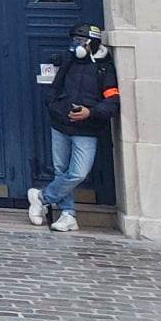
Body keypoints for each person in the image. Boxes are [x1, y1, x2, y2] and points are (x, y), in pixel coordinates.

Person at [29, 23, 120, 234]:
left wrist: (91, 112)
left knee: (78, 173)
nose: (75, 44)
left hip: (87, 127)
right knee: (61, 170)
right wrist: (55, 108)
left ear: (91, 42)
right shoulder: (70, 61)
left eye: (79, 40)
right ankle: (68, 214)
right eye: (74, 40)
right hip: (61, 123)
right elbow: (54, 88)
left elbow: (113, 101)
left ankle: (41, 197)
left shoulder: (105, 68)